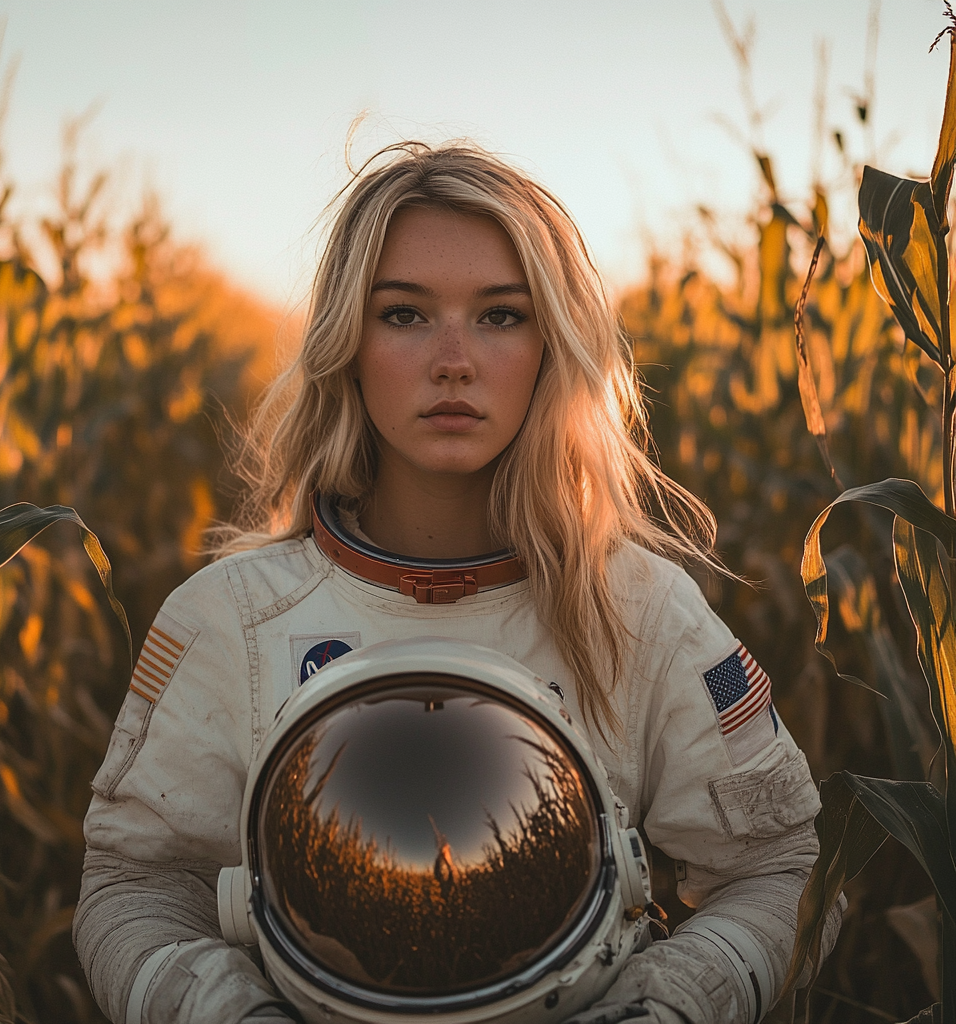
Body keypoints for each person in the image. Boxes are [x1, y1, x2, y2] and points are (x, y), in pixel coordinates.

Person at [73, 141, 841, 1024]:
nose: (453, 361)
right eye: (403, 315)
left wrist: (664, 1004)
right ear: (347, 342)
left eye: (500, 317)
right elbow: (134, 883)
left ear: (553, 342)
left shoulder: (641, 610)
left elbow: (784, 872)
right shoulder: (231, 621)